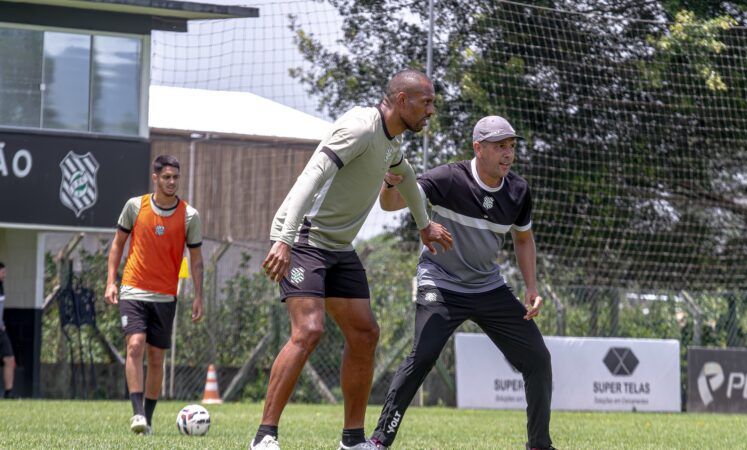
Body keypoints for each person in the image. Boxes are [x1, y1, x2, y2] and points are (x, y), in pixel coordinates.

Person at [252, 69, 454, 450]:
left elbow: (407, 175)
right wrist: (284, 240)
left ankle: (352, 441)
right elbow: (310, 178)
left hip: (339, 247)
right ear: (401, 101)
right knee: (309, 330)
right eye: (426, 102)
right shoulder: (361, 128)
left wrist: (425, 225)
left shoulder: (391, 140)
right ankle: (264, 436)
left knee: (365, 334)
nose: (431, 110)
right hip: (305, 237)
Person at [370, 116, 555, 450]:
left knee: (538, 359)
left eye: (511, 146)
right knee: (423, 356)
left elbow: (523, 239)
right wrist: (388, 183)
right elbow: (391, 203)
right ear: (478, 148)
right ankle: (379, 441)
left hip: (488, 287)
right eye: (500, 146)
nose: (508, 154)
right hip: (441, 284)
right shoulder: (449, 178)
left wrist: (532, 287)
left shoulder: (518, 191)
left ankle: (539, 445)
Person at [104, 155, 204, 435]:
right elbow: (117, 245)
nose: (172, 182)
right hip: (133, 289)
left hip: (165, 296)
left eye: (176, 177)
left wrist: (199, 296)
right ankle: (137, 413)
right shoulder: (135, 206)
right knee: (135, 345)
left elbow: (196, 259)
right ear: (155, 178)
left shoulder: (190, 215)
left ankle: (146, 419)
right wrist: (111, 282)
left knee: (156, 358)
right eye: (167, 177)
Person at [0, 262, 16, 399]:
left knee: (9, 359)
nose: (4, 275)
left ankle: (8, 393)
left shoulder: (1, 286)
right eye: (2, 272)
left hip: (1, 330)